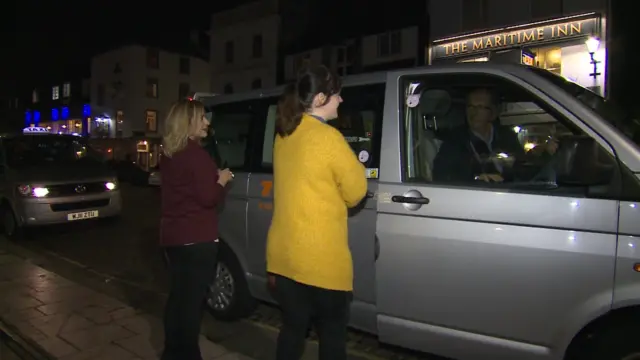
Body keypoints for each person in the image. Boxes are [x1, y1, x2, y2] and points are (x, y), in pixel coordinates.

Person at [266, 65, 368, 360]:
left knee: (292, 332)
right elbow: (356, 192)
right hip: (320, 263)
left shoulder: (284, 135)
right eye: (338, 95)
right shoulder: (329, 139)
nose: (341, 101)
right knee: (332, 340)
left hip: (285, 259)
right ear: (321, 98)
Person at [159, 99, 234, 360]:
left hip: (173, 238)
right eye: (202, 117)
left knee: (178, 299)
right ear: (188, 121)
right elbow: (208, 197)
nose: (207, 122)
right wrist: (222, 180)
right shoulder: (196, 156)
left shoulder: (170, 154)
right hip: (197, 240)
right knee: (191, 306)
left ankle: (171, 352)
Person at [433, 88, 557, 183]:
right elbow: (441, 174)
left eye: (480, 107)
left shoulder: (507, 137)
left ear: (493, 113)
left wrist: (544, 154)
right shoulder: (455, 140)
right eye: (470, 106)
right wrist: (476, 179)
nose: (473, 112)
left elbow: (522, 172)